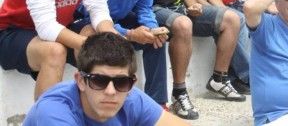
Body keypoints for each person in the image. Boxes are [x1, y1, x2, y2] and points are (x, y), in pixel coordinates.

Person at [73, 0, 170, 107]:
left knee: (156, 41)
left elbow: (144, 8)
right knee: (90, 32)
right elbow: (91, 15)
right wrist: (129, 34)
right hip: (89, 19)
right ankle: (91, 101)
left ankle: (157, 103)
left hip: (118, 18)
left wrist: (152, 29)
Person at [23, 32, 187, 125]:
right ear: (80, 81)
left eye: (121, 82)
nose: (111, 91)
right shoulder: (54, 110)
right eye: (98, 81)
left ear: (131, 84)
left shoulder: (130, 98)